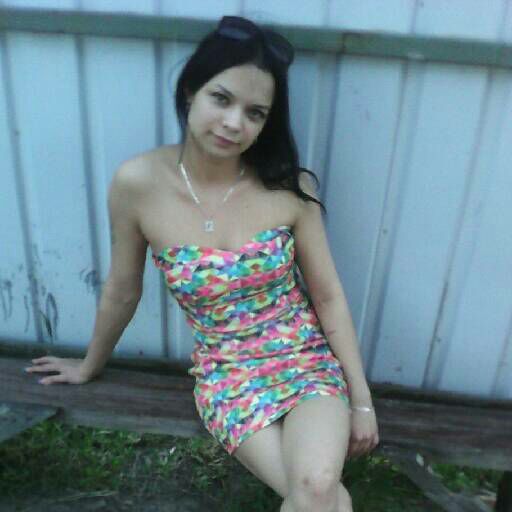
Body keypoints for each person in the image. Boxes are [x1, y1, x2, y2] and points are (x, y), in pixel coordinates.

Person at [25, 15, 379, 512]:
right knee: (322, 498)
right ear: (191, 90)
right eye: (221, 99)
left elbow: (328, 296)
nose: (234, 123)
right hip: (228, 375)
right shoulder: (138, 184)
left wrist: (361, 401)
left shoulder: (289, 188)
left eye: (255, 113)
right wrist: (89, 365)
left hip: (305, 363)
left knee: (318, 487)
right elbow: (123, 290)